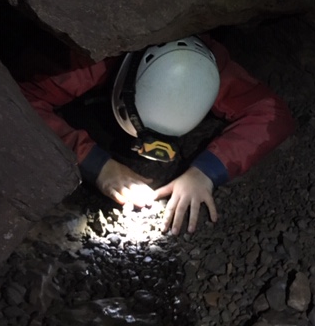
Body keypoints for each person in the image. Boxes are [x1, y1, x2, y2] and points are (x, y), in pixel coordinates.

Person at [19, 35, 295, 235]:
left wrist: (205, 173)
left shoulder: (210, 68)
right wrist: (95, 163)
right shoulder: (90, 58)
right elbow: (19, 100)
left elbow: (272, 115)